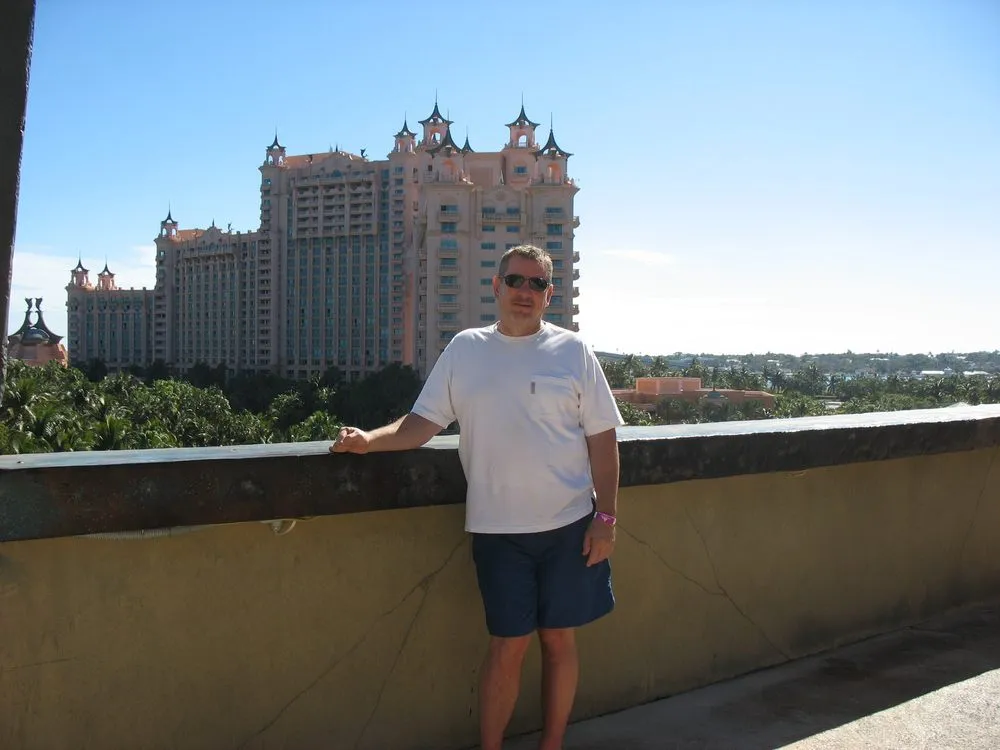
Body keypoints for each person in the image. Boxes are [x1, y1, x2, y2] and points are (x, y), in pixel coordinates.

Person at [331, 244, 624, 750]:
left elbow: (602, 438)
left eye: (537, 284)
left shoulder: (573, 351)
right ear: (496, 286)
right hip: (498, 531)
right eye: (516, 281)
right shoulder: (466, 349)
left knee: (559, 641)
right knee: (507, 647)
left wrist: (607, 519)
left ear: (550, 294)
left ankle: (551, 745)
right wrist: (368, 441)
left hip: (570, 526)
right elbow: (422, 422)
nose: (525, 292)